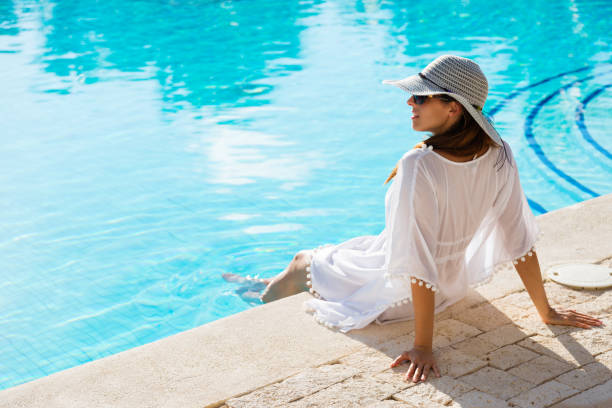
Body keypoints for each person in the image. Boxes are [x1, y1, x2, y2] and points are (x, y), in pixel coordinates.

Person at [254, 55, 604, 383]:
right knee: (352, 249)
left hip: (400, 295)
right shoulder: (499, 150)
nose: (410, 103)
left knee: (302, 262)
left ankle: (258, 297)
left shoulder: (419, 165)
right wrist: (545, 309)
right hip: (451, 287)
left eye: (421, 98)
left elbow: (417, 260)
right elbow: (517, 236)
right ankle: (258, 283)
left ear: (453, 108)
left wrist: (423, 345)